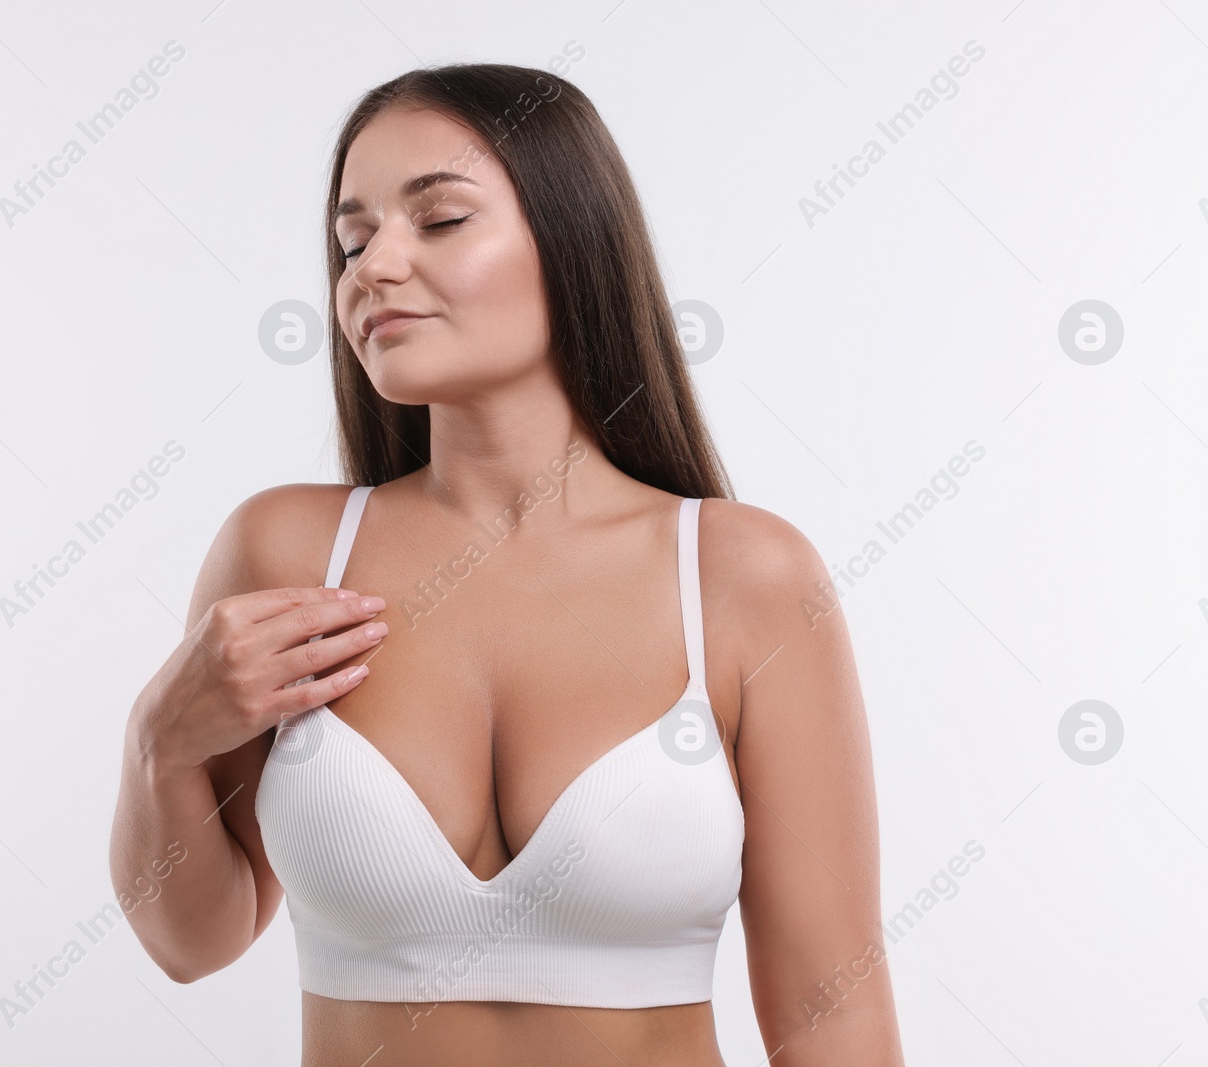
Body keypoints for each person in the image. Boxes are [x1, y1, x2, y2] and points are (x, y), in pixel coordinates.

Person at [110, 62, 904, 1066]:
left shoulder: (741, 577)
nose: (373, 267)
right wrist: (158, 744)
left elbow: (831, 1017)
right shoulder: (286, 553)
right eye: (353, 239)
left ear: (573, 241)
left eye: (438, 222)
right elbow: (192, 938)